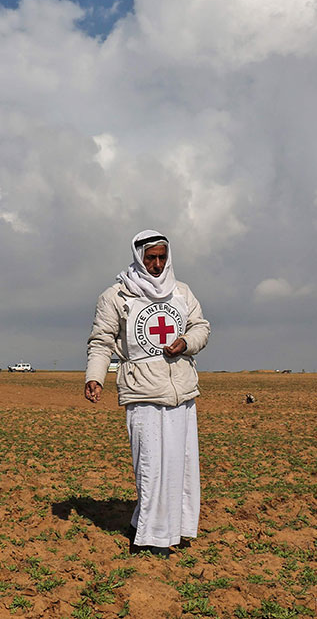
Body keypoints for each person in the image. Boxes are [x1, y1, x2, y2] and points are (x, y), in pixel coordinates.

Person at [84, 229, 210, 555]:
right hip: (142, 390)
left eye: (162, 257)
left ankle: (172, 528)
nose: (157, 264)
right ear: (139, 257)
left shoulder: (181, 291)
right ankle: (153, 538)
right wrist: (95, 377)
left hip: (181, 389)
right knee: (152, 466)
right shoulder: (116, 296)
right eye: (150, 258)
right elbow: (102, 341)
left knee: (181, 465)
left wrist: (186, 342)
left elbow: (200, 326)